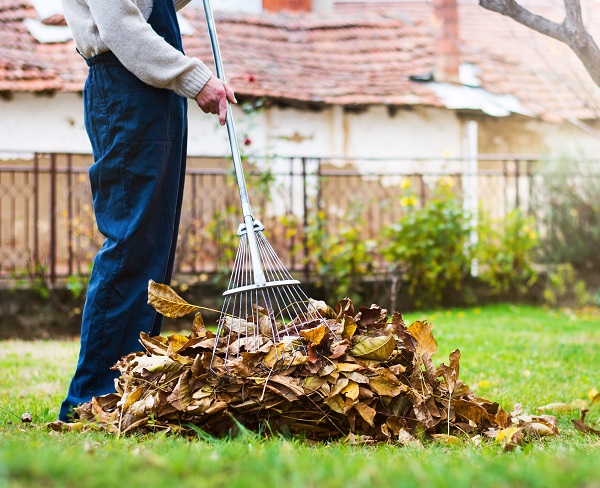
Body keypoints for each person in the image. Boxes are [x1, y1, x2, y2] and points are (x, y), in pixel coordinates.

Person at [58, 0, 236, 422]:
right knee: (131, 244)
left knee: (152, 247)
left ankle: (130, 387)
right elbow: (121, 27)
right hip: (126, 87)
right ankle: (93, 397)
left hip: (151, 93)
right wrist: (195, 78)